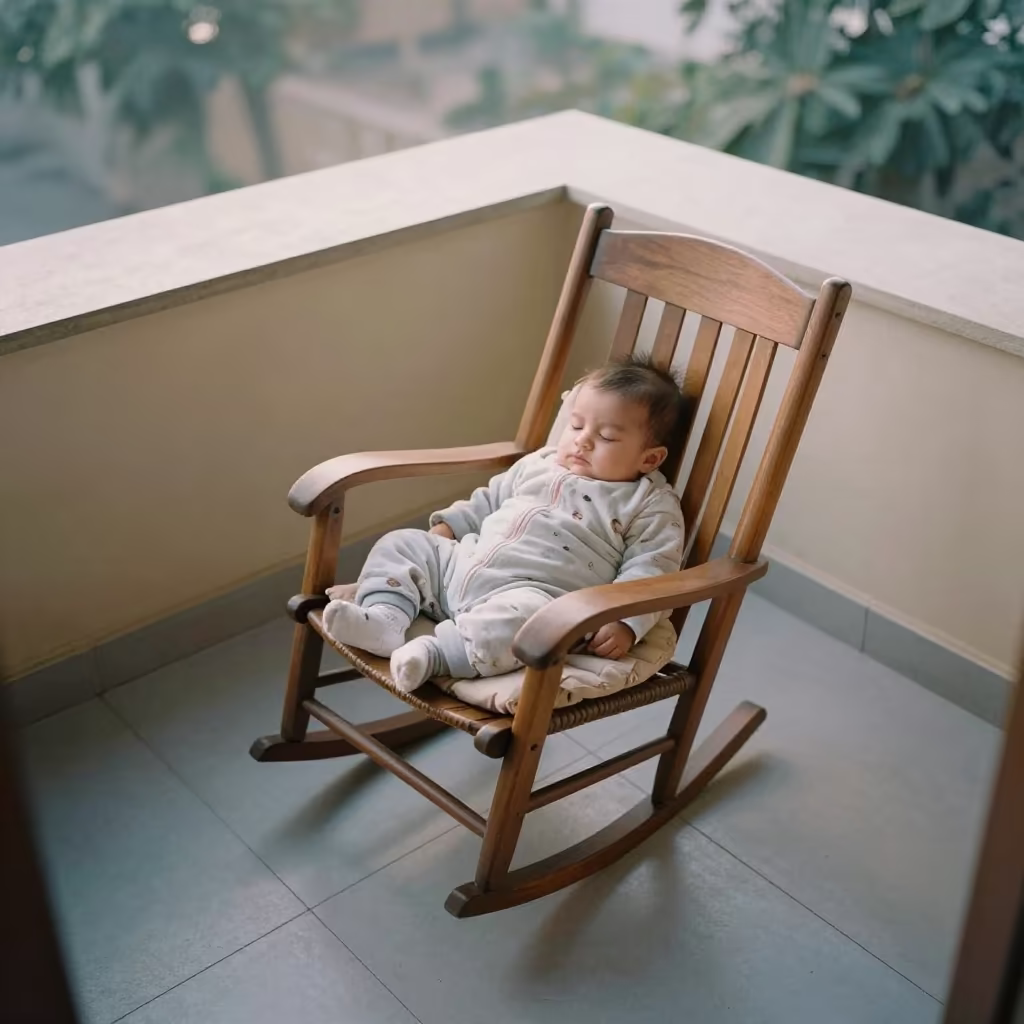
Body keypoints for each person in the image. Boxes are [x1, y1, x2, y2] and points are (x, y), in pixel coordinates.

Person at [324, 353, 689, 693]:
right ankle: (386, 619)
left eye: (606, 436)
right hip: (461, 568)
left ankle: (434, 656)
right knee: (403, 542)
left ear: (650, 458)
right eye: (576, 425)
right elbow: (487, 502)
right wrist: (447, 530)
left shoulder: (648, 504)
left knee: (531, 621)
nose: (582, 442)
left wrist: (625, 622)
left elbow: (651, 573)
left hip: (532, 595)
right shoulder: (540, 464)